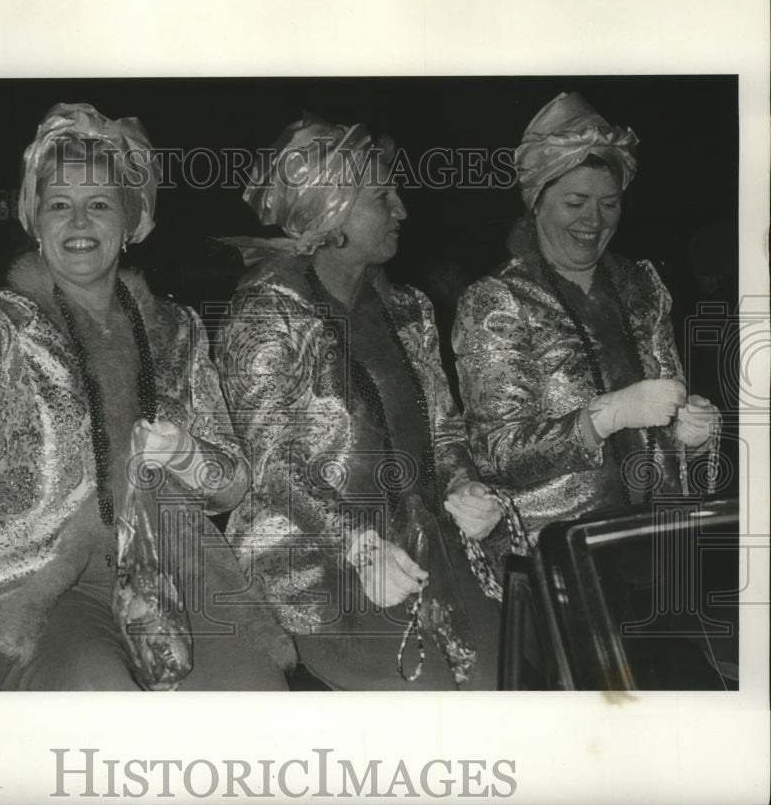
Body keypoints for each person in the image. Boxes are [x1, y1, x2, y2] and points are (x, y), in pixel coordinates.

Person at [0, 102, 293, 690]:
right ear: (36, 224)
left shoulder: (180, 328)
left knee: (256, 693)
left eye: (99, 205)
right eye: (58, 205)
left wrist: (185, 456)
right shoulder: (8, 316)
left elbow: (232, 484)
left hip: (173, 571)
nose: (78, 221)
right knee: (97, 691)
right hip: (40, 586)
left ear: (130, 222)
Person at [216, 115, 504, 690]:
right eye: (382, 197)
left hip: (425, 543)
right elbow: (274, 466)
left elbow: (443, 431)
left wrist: (463, 485)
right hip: (310, 560)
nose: (402, 209)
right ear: (332, 214)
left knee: (506, 669)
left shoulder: (409, 310)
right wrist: (358, 543)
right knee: (425, 697)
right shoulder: (266, 314)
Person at [452, 92, 721, 580]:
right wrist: (607, 415)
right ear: (536, 204)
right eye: (575, 202)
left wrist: (692, 433)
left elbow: (665, 409)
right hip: (555, 562)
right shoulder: (496, 301)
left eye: (609, 203)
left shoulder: (640, 285)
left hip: (655, 545)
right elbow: (499, 455)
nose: (594, 221)